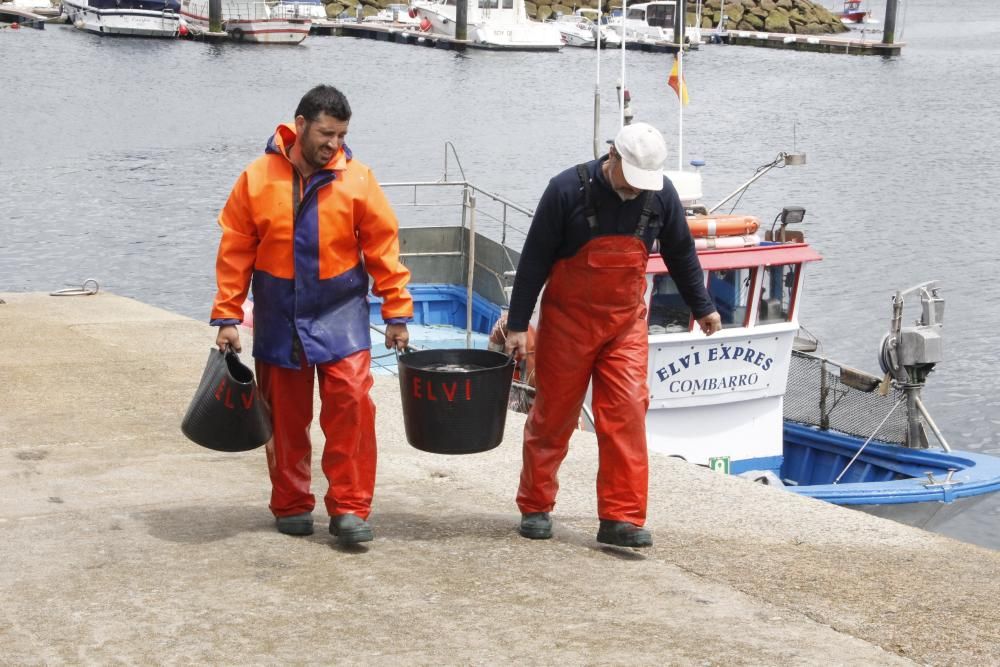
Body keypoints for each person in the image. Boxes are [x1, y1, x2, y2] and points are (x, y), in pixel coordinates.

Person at [210, 84, 412, 546]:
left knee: (353, 407)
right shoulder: (256, 178)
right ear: (299, 125)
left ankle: (350, 508)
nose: (333, 144)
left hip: (340, 310)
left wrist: (397, 311)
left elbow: (384, 248)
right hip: (280, 311)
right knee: (283, 416)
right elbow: (236, 249)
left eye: (341, 135)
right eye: (325, 133)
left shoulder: (357, 179)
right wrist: (227, 315)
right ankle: (291, 503)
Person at [504, 122, 721, 548]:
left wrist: (704, 306)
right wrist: (517, 325)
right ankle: (535, 505)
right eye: (631, 179)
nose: (638, 190)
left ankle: (621, 518)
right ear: (613, 157)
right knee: (553, 418)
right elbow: (534, 261)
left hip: (624, 326)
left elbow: (680, 252)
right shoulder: (565, 189)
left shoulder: (660, 196)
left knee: (626, 414)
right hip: (567, 325)